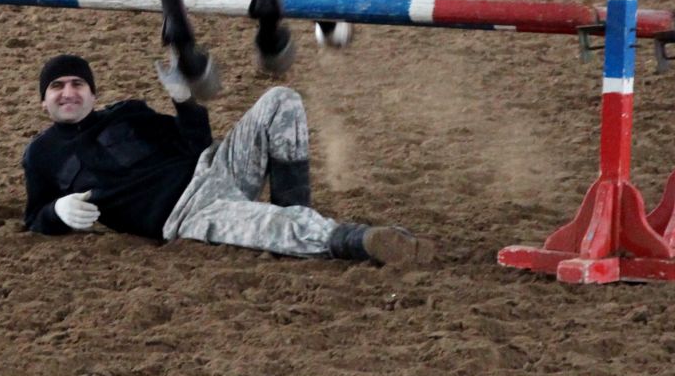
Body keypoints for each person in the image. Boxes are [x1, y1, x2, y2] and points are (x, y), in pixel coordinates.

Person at [22, 53, 436, 265]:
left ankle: (297, 210)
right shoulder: (41, 155)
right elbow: (34, 217)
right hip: (186, 215)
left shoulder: (129, 112)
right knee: (273, 224)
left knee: (280, 100)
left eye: (78, 83)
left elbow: (195, 142)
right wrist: (56, 213)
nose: (68, 92)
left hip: (215, 167)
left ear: (93, 94)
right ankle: (358, 240)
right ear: (44, 102)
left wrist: (185, 100)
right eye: (57, 87)